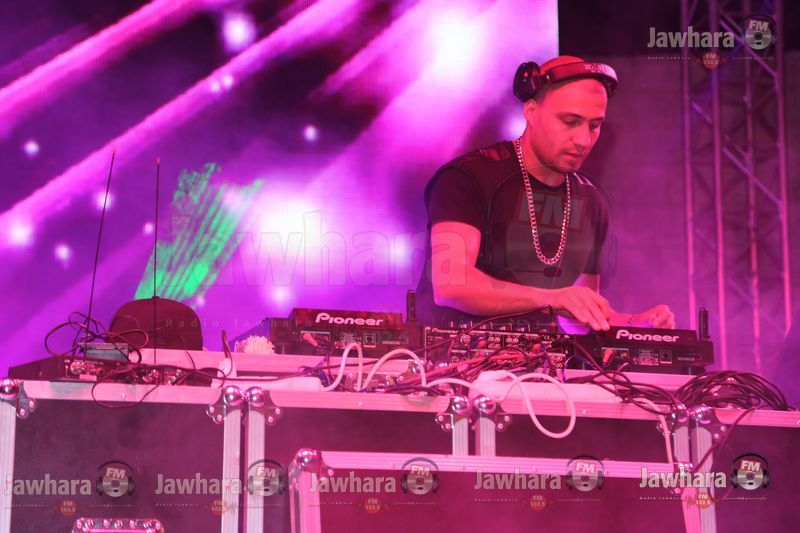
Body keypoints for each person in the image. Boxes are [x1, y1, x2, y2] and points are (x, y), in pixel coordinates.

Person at [415, 56, 675, 332]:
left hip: (536, 360)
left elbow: (577, 320)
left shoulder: (592, 202)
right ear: (531, 111)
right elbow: (451, 285)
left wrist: (635, 325)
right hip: (450, 356)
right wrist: (551, 298)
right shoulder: (467, 177)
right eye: (570, 121)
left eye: (594, 125)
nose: (583, 140)